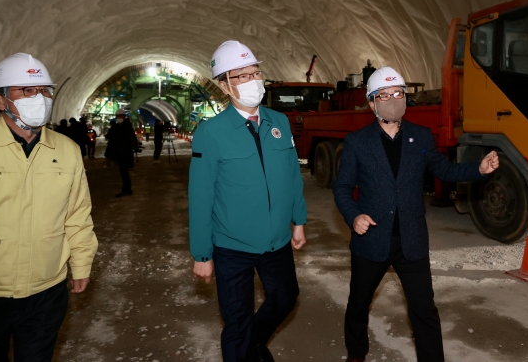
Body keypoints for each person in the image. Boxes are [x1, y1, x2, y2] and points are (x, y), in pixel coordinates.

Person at [333, 67, 499, 362]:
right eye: (384, 95)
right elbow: (343, 187)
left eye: (398, 93)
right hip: (371, 240)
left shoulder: (421, 137)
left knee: (424, 308)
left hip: (411, 240)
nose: (392, 100)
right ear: (372, 103)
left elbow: (443, 169)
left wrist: (479, 169)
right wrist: (354, 215)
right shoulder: (358, 141)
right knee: (358, 304)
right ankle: (356, 355)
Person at [189, 40, 307, 362]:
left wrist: (299, 221)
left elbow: (292, 178)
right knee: (236, 318)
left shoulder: (279, 123)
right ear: (224, 86)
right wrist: (202, 253)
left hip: (277, 240)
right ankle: (244, 347)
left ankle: (251, 346)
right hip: (232, 246)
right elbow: (200, 197)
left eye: (255, 73)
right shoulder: (210, 133)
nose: (253, 81)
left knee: (285, 298)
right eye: (240, 76)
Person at [0, 53, 98, 361]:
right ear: (1, 100)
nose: (40, 98)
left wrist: (82, 264)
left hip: (46, 289)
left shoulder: (67, 150)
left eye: (45, 91)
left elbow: (77, 215)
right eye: (27, 91)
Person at [108, 109, 138, 197]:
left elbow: (127, 140)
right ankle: (127, 189)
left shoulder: (125, 126)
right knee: (124, 172)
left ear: (122, 116)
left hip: (124, 154)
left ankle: (126, 189)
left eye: (118, 116)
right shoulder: (122, 125)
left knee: (124, 172)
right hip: (123, 153)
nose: (117, 118)